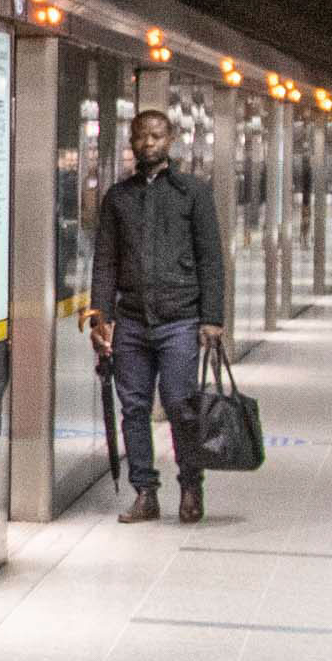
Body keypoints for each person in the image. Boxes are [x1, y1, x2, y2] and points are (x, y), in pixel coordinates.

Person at [87, 103, 229, 524]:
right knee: (133, 408)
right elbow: (105, 262)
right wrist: (100, 315)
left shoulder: (194, 193)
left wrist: (212, 317)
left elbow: (211, 258)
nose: (148, 142)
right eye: (140, 136)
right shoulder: (118, 198)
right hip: (130, 320)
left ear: (170, 141)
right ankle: (145, 492)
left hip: (180, 319)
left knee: (181, 405)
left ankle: (190, 486)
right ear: (131, 143)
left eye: (156, 136)